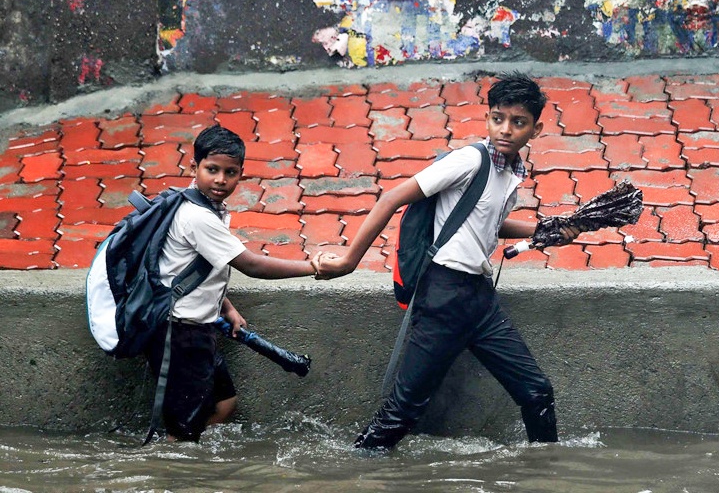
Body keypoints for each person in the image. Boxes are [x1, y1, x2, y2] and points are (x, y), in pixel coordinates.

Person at [316, 72, 579, 449]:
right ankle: (355, 471)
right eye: (498, 119)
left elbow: (489, 224)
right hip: (442, 296)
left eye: (518, 122)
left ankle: (545, 473)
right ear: (488, 118)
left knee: (537, 392)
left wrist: (548, 229)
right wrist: (347, 261)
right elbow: (392, 198)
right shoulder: (468, 160)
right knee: (402, 412)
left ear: (535, 130)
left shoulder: (509, 176)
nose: (505, 130)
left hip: (480, 301)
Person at [144, 125, 325, 442]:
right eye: (211, 169)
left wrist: (227, 307)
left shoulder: (208, 207)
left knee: (224, 404)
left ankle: (187, 455)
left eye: (230, 172)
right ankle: (171, 466)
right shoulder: (197, 217)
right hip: (180, 332)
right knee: (182, 429)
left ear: (241, 174)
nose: (220, 180)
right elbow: (251, 265)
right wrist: (314, 267)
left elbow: (199, 266)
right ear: (194, 167)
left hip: (202, 327)